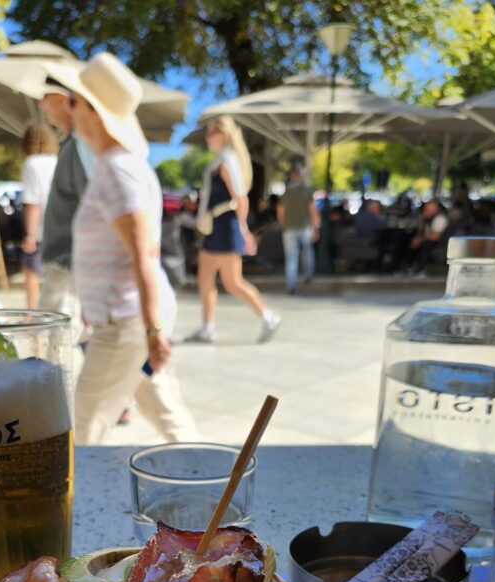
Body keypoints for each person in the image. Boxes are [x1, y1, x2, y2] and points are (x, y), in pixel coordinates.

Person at [61, 52, 196, 444]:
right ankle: (210, 488)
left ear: (94, 112)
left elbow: (144, 254)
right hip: (128, 321)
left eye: (73, 101)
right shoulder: (117, 164)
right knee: (168, 416)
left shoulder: (119, 168)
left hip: (127, 324)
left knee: (83, 430)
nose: (69, 112)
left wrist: (153, 331)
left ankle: (76, 504)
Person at [185, 116, 281, 344]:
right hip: (217, 227)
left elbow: (240, 198)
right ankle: (208, 326)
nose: (207, 138)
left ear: (223, 134)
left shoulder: (227, 161)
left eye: (211, 133)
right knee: (207, 278)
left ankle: (268, 316)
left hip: (225, 227)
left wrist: (243, 230)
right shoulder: (222, 160)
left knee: (231, 282)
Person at [36, 74, 95, 327]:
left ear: (63, 100)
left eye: (45, 97)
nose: (41, 105)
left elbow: (91, 205)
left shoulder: (80, 146)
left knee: (52, 340)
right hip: (69, 261)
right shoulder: (74, 144)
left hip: (69, 261)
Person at [19, 121, 58, 308]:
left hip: (40, 228)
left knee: (31, 272)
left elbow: (33, 201)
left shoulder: (31, 164)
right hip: (58, 226)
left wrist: (29, 234)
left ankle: (31, 314)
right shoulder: (58, 161)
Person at [277, 162, 319, 294]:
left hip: (289, 228)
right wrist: (315, 227)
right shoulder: (306, 190)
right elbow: (313, 211)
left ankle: (291, 284)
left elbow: (280, 212)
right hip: (305, 227)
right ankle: (308, 275)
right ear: (301, 176)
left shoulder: (286, 192)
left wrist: (284, 223)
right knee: (307, 252)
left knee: (291, 257)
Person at [409, 198, 448, 274]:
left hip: (438, 244)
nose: (425, 211)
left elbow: (435, 236)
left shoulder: (439, 218)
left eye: (428, 209)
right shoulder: (427, 220)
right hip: (428, 241)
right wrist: (421, 221)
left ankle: (420, 269)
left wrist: (420, 240)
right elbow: (421, 232)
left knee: (424, 245)